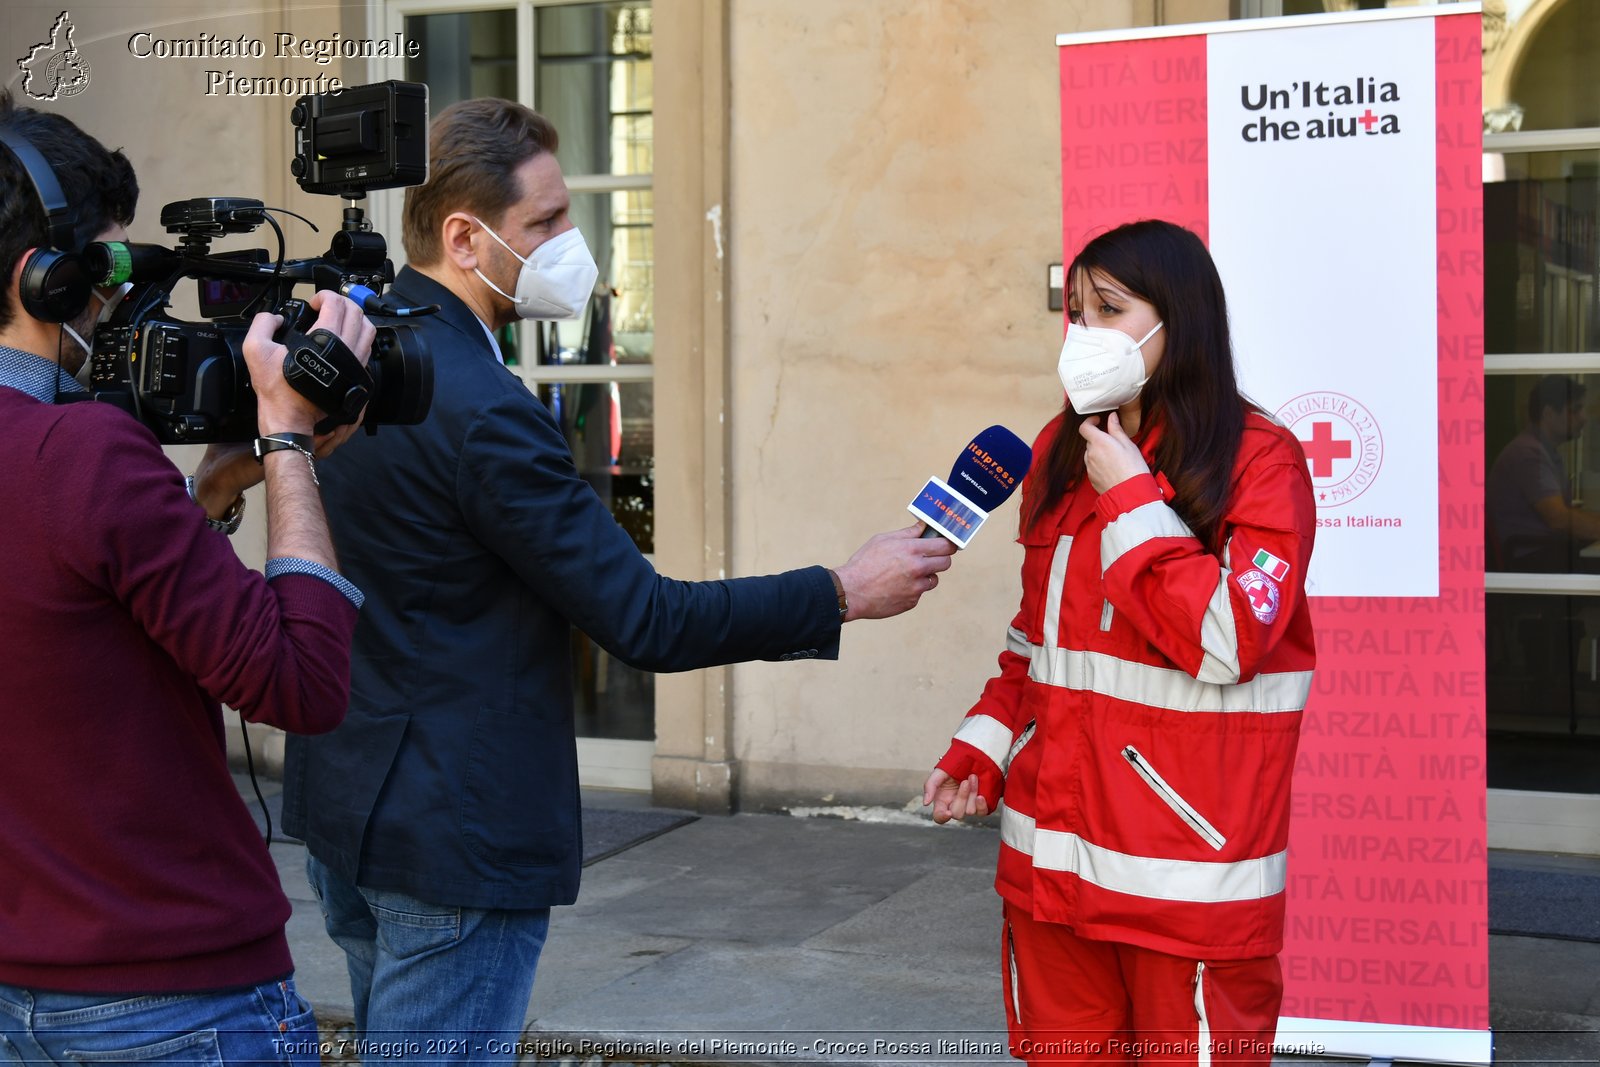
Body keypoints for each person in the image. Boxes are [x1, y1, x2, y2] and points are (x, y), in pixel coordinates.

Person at [281, 97, 956, 1055]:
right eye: (546, 223)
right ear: (467, 238)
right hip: (453, 840)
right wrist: (842, 589)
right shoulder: (483, 408)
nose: (572, 242)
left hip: (351, 811)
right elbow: (646, 619)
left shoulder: (345, 355)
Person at [0, 95, 375, 1062]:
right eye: (106, 273)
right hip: (172, 1000)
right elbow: (301, 683)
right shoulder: (82, 453)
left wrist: (209, 490)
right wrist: (286, 439)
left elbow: (65, 609)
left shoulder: (70, 465)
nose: (117, 304)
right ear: (41, 281)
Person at [923, 220, 1316, 1066]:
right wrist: (985, 745)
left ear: (1179, 319)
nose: (1083, 332)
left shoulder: (1262, 461)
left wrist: (1136, 502)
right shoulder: (1058, 451)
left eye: (1108, 308)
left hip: (1186, 878)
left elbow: (1230, 639)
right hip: (1051, 868)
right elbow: (1035, 644)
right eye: (1074, 310)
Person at [1485, 374, 1600, 572]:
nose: (1584, 418)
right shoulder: (1527, 454)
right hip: (1532, 562)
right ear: (1548, 414)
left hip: (1545, 553)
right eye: (1575, 410)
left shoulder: (1543, 452)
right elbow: (1559, 519)